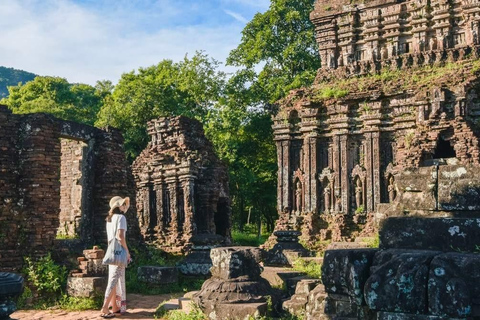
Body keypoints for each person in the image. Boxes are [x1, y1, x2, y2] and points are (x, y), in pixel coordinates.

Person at [100, 196, 131, 318]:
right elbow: (120, 236)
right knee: (113, 281)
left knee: (114, 279)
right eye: (123, 204)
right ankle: (104, 308)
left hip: (111, 252)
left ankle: (115, 306)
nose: (125, 206)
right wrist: (127, 252)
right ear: (119, 206)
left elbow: (110, 239)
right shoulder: (121, 218)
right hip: (119, 252)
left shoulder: (110, 219)